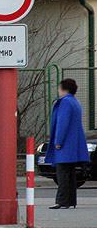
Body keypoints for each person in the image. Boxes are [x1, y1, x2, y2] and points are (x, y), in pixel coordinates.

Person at [45, 78, 90, 209]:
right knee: (70, 174)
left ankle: (62, 201)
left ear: (64, 89)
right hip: (74, 145)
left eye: (59, 88)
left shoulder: (64, 103)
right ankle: (71, 200)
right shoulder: (75, 102)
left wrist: (58, 141)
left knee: (62, 173)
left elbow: (62, 123)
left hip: (65, 145)